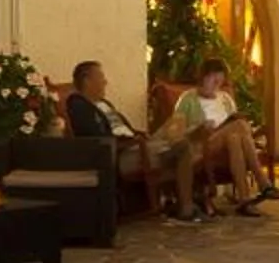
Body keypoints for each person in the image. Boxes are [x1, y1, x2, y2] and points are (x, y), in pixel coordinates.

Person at [65, 60, 201, 223]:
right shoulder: (79, 105)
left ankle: (184, 201)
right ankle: (186, 209)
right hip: (123, 153)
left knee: (182, 130)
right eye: (100, 76)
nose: (105, 81)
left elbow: (125, 128)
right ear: (87, 80)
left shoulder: (104, 104)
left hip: (139, 146)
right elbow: (97, 138)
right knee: (183, 147)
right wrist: (130, 140)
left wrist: (140, 135)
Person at [166, 59, 279, 215]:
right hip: (202, 145)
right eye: (213, 80)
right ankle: (263, 182)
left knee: (235, 137)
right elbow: (176, 131)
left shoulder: (225, 98)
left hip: (227, 143)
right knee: (239, 126)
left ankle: (245, 200)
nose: (216, 85)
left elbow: (235, 122)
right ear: (203, 77)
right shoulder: (188, 98)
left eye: (220, 81)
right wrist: (199, 127)